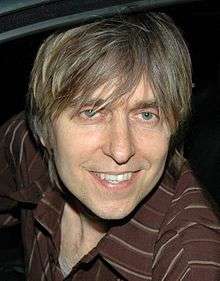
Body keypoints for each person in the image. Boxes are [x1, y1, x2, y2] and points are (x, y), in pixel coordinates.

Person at [0, 12, 219, 281]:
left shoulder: (192, 264)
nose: (121, 151)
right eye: (91, 112)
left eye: (146, 115)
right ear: (45, 130)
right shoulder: (25, 144)